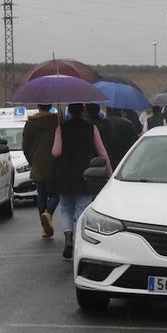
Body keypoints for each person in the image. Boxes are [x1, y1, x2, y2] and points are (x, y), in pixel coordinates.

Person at [51, 103, 111, 260]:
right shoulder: (91, 128)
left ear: (69, 111)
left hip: (64, 173)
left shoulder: (61, 128)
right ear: (82, 110)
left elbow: (56, 152)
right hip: (85, 172)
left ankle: (68, 236)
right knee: (82, 207)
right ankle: (78, 241)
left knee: (65, 208)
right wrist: (109, 172)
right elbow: (102, 152)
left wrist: (60, 132)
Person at [20, 103, 60, 238]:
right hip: (54, 164)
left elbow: (25, 146)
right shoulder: (57, 121)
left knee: (41, 195)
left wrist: (32, 161)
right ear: (50, 106)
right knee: (55, 194)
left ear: (38, 106)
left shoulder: (31, 124)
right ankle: (48, 214)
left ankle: (44, 227)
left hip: (37, 164)